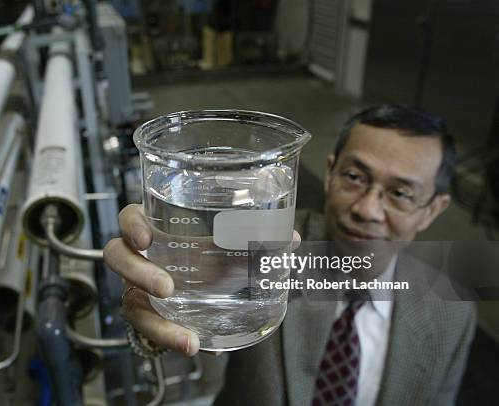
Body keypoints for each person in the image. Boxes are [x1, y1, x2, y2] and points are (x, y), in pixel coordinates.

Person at [103, 105, 476, 405]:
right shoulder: (262, 242)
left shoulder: (452, 314)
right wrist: (152, 317)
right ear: (329, 173)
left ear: (433, 209)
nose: (368, 209)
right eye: (355, 177)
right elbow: (196, 334)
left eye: (400, 194)